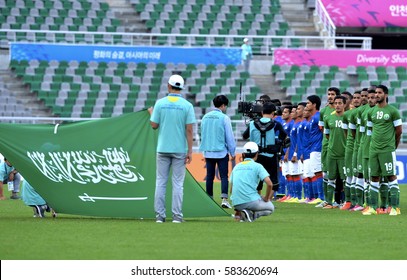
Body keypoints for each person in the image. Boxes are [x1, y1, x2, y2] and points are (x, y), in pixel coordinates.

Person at [149, 74, 196, 223]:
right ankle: (177, 216)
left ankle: (159, 216)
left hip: (163, 148)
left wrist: (151, 113)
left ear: (168, 86)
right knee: (177, 184)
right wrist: (190, 151)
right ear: (181, 88)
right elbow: (189, 130)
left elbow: (154, 125)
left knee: (160, 182)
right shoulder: (187, 106)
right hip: (179, 149)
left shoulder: (160, 103)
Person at [364, 85, 402, 216]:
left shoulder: (393, 111)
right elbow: (369, 131)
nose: (376, 95)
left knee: (391, 176)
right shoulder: (371, 112)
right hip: (374, 150)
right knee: (374, 177)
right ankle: (373, 208)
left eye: (379, 93)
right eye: (375, 93)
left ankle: (395, 207)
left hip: (387, 149)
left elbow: (399, 131)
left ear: (385, 95)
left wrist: (393, 146)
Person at [199, 95, 236, 209]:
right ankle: (224, 199)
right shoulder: (224, 118)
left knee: (209, 176)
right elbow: (229, 137)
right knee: (224, 176)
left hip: (208, 151)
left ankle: (209, 199)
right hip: (221, 151)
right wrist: (232, 152)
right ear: (223, 105)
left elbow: (203, 133)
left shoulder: (205, 117)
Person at [248, 102, 288, 200]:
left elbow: (245, 135)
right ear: (273, 113)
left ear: (262, 112)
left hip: (256, 155)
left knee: (257, 179)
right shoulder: (276, 124)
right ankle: (268, 199)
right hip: (271, 155)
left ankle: (257, 198)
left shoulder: (252, 123)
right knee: (273, 179)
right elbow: (283, 136)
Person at [230, 142, 275, 222]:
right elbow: (269, 184)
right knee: (271, 208)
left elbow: (231, 189)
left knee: (255, 197)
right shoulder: (258, 166)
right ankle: (253, 215)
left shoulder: (236, 166)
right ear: (257, 154)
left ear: (243, 154)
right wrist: (266, 198)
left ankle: (242, 212)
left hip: (236, 203)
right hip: (251, 201)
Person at [322, 95, 347, 209]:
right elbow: (327, 135)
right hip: (332, 152)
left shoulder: (348, 117)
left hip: (344, 153)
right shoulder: (329, 118)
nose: (337, 105)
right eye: (336, 103)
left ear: (344, 104)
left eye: (340, 103)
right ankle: (329, 202)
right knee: (330, 178)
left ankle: (346, 201)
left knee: (345, 179)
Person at [305, 95, 324, 204]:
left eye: (308, 103)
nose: (306, 105)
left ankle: (321, 197)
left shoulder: (317, 117)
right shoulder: (313, 118)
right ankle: (319, 196)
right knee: (316, 172)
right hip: (313, 147)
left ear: (314, 105)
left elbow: (323, 131)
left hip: (317, 147)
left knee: (318, 172)